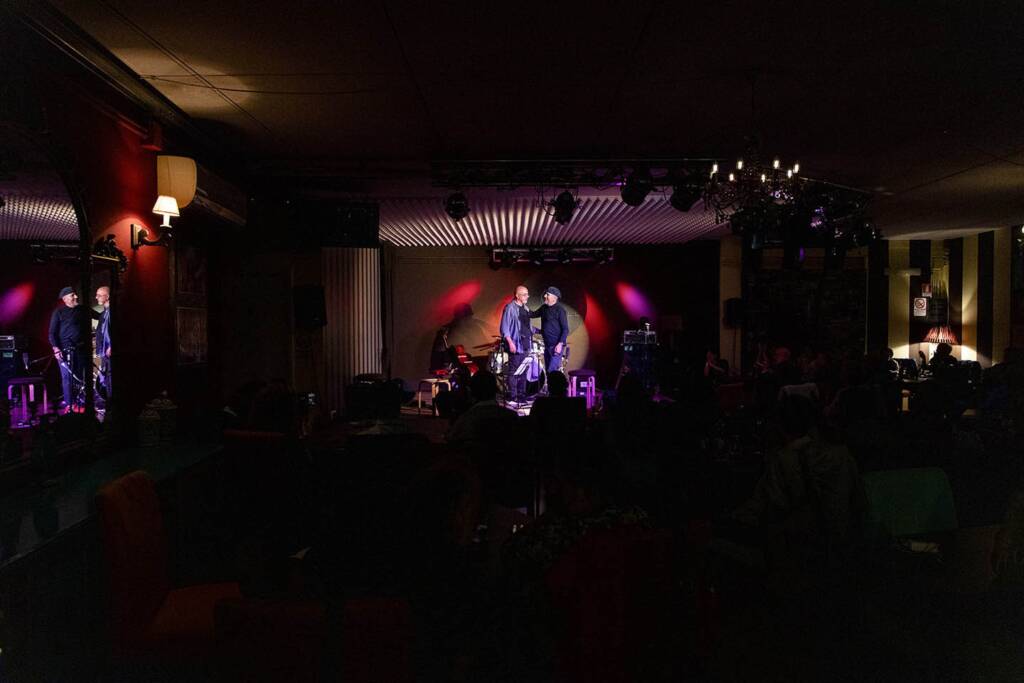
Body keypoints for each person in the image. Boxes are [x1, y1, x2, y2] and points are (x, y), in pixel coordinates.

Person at [48, 286, 91, 413]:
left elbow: (100, 316)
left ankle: (79, 402)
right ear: (65, 299)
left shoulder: (83, 309)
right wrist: (56, 348)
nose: (76, 297)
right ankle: (69, 405)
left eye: (75, 294)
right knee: (67, 378)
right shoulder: (59, 312)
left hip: (81, 349)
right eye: (72, 295)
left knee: (79, 377)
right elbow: (51, 333)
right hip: (65, 350)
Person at [499, 285, 534, 405]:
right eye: (524, 294)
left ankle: (522, 395)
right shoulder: (510, 308)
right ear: (517, 296)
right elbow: (504, 327)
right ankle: (513, 396)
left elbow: (528, 327)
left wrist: (541, 331)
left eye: (527, 294)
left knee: (524, 371)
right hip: (516, 344)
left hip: (526, 344)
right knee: (514, 371)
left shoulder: (526, 308)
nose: (527, 296)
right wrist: (510, 342)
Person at [530, 286, 569, 375]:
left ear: (554, 298)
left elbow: (565, 329)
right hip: (547, 345)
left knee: (552, 371)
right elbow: (532, 314)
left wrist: (560, 344)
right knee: (548, 372)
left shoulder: (560, 310)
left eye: (547, 294)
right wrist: (522, 307)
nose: (545, 296)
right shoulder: (544, 308)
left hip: (556, 346)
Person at [95, 286, 112, 402]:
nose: (96, 297)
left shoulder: (112, 312)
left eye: (99, 295)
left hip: (109, 350)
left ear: (108, 297)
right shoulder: (103, 313)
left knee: (111, 376)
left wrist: (111, 346)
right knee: (106, 377)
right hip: (104, 351)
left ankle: (112, 402)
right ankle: (109, 402)